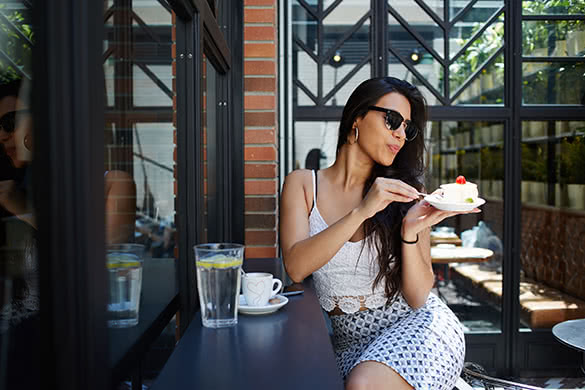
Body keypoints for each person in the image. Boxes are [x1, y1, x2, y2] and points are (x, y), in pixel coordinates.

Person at [280, 77, 479, 390]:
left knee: (363, 385)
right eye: (393, 120)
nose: (400, 134)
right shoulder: (303, 184)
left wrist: (411, 231)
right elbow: (295, 266)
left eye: (407, 128)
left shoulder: (407, 193)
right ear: (357, 117)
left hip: (416, 327)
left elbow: (416, 298)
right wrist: (363, 210)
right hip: (349, 345)